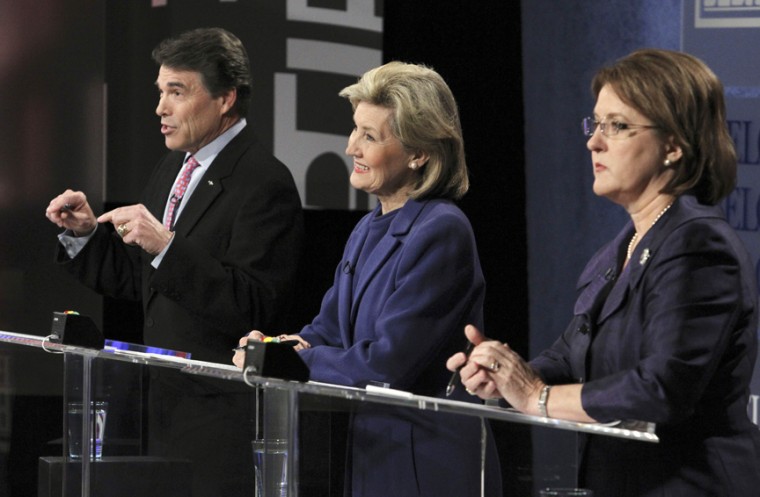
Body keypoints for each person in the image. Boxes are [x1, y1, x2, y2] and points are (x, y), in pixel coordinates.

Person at [448, 48, 760, 497]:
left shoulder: (698, 245)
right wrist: (502, 377)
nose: (594, 141)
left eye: (618, 126)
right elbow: (569, 359)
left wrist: (535, 396)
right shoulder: (617, 251)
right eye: (595, 124)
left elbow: (660, 388)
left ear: (673, 145)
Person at [45, 27, 304, 497]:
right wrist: (84, 235)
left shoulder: (265, 182)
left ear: (225, 99)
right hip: (160, 407)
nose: (160, 108)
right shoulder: (175, 166)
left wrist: (166, 245)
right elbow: (143, 280)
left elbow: (253, 307)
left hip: (220, 421)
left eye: (177, 92)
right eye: (160, 91)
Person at [234, 61, 502, 497]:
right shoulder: (367, 228)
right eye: (355, 130)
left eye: (370, 136)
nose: (350, 147)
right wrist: (273, 348)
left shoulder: (442, 230)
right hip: (373, 451)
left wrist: (293, 362)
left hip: (426, 461)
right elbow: (327, 331)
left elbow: (387, 363)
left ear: (419, 153)